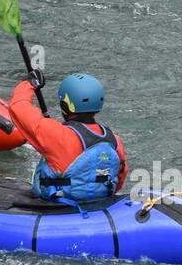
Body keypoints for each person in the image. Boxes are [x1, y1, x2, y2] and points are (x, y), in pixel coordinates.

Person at [10, 71, 128, 205]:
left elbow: (18, 107)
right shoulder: (114, 139)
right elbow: (120, 176)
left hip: (59, 206)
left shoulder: (56, 134)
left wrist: (29, 83)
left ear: (66, 104)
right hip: (100, 204)